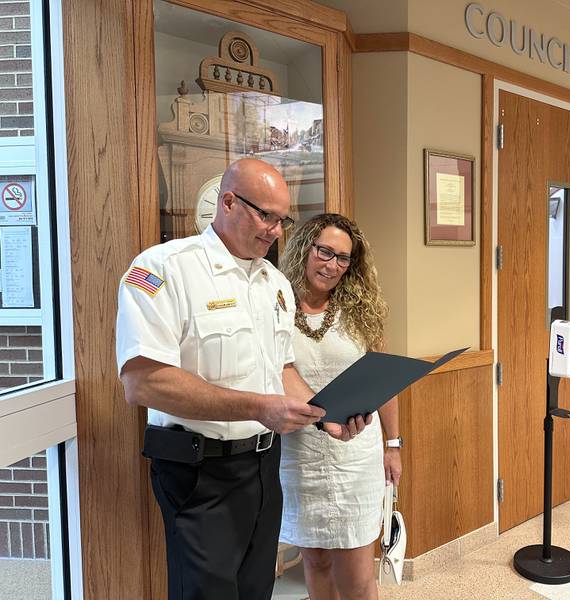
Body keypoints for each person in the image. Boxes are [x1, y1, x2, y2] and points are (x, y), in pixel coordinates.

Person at [115, 159, 365, 600]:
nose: (275, 230)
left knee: (254, 589)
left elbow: (281, 370)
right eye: (264, 215)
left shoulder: (274, 284)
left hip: (265, 468)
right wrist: (258, 407)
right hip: (199, 470)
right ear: (228, 202)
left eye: (282, 219)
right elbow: (144, 383)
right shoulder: (163, 269)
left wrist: (327, 415)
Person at [278, 213, 402, 600]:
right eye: (324, 251)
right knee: (315, 561)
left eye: (343, 258)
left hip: (355, 452)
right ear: (304, 249)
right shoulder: (275, 304)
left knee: (357, 573)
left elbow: (384, 380)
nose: (332, 265)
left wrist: (393, 445)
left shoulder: (361, 311)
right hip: (299, 454)